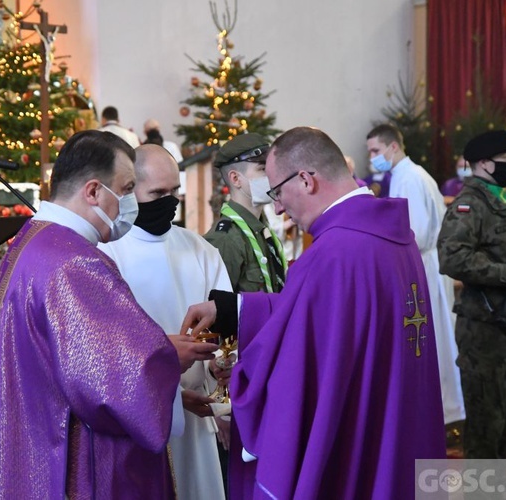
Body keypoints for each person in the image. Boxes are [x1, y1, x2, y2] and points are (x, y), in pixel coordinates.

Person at [181, 126, 445, 499]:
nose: (277, 207)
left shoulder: (334, 254)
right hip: (393, 418)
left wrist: (237, 389)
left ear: (305, 180)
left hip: (353, 436)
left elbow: (298, 355)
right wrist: (232, 309)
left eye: (278, 191)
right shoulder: (389, 236)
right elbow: (325, 317)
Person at [0, 130, 217, 498]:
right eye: (126, 188)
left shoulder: (32, 242)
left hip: (32, 444)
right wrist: (167, 358)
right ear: (93, 192)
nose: (128, 203)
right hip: (74, 460)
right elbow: (104, 384)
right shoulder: (75, 262)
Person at [99, 144, 230, 499]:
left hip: (199, 415)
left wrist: (224, 383)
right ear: (131, 191)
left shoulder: (201, 250)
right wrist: (167, 391)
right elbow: (106, 347)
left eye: (175, 192)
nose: (169, 202)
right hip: (139, 417)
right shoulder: (106, 254)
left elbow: (226, 334)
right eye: (158, 193)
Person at [438, 129, 506, 458]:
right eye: (505, 158)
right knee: (485, 433)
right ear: (483, 163)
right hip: (484, 331)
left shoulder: (504, 199)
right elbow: (452, 258)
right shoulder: (469, 205)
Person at [366, 123, 465, 426]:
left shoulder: (409, 178)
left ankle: (444, 412)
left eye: (376, 151)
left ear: (393, 147)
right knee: (437, 337)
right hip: (424, 264)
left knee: (435, 340)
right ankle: (443, 410)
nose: (373, 158)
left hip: (424, 266)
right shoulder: (405, 175)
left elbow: (417, 233)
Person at [204, 133, 287, 294]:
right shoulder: (225, 239)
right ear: (235, 179)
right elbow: (217, 309)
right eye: (262, 169)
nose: (272, 176)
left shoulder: (262, 229)